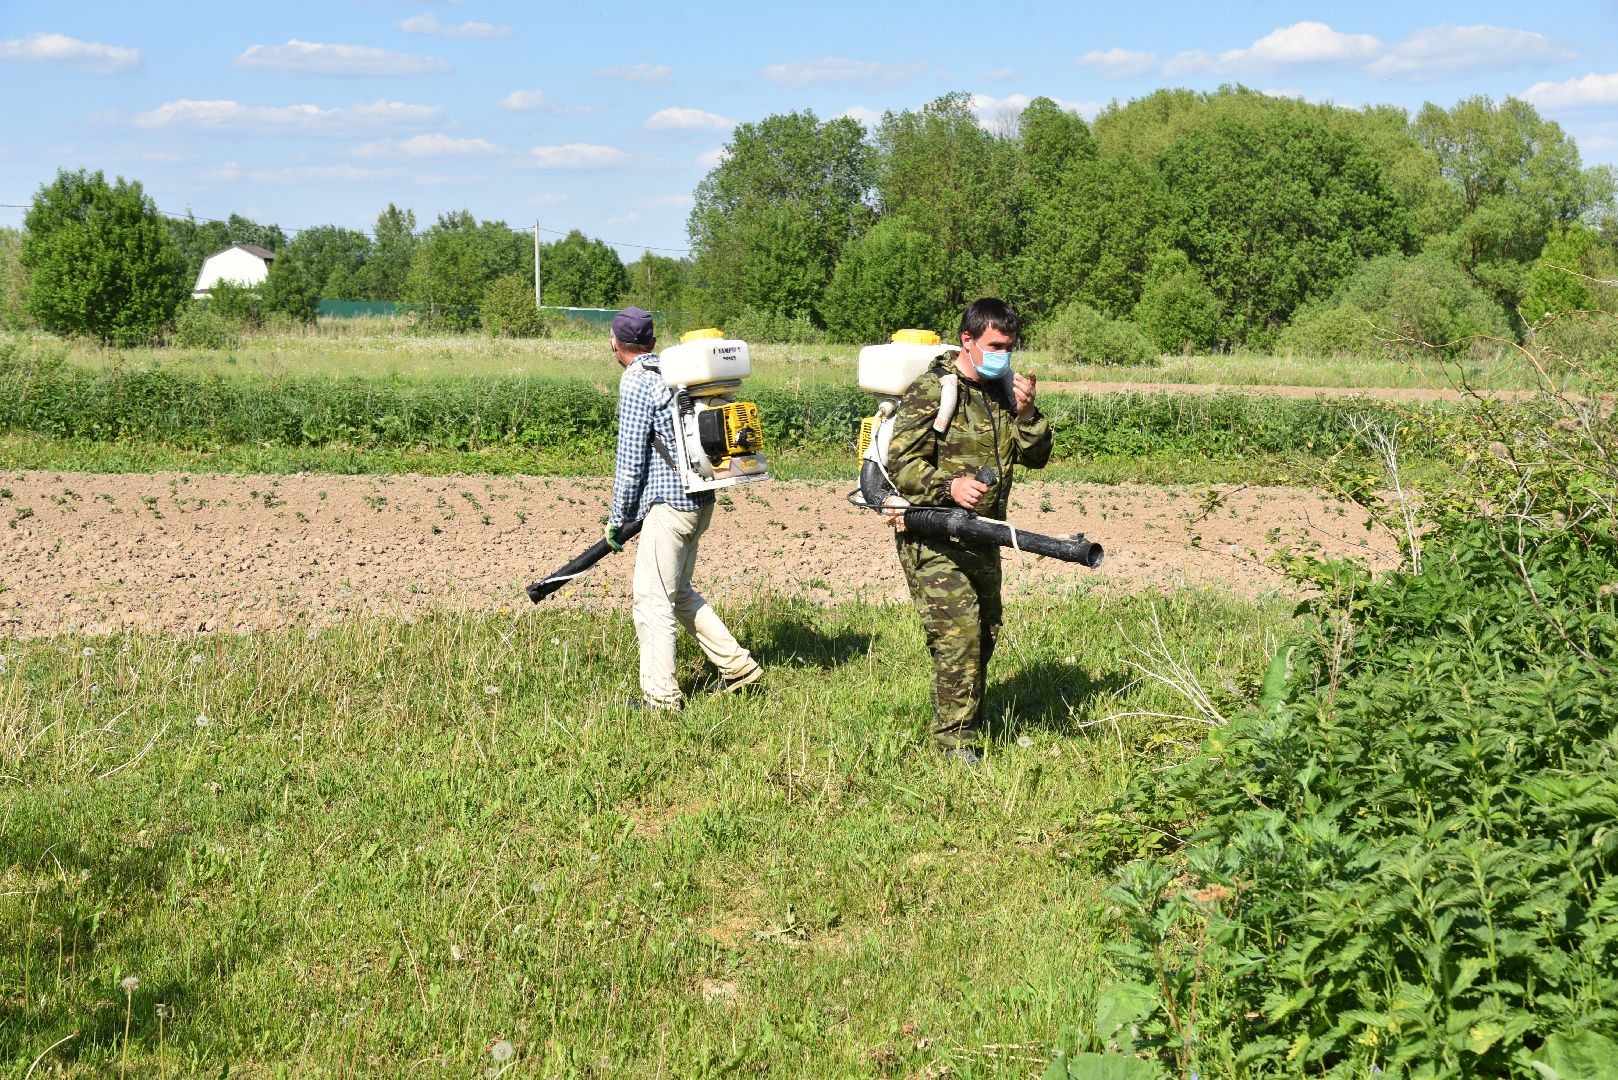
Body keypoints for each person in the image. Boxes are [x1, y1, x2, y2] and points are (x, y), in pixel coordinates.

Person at [885, 298, 1051, 763]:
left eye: (1010, 347)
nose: (1004, 355)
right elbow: (900, 463)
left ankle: (967, 717)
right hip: (934, 537)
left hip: (984, 535)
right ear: (967, 340)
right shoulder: (933, 389)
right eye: (995, 346)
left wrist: (1027, 415)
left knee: (985, 633)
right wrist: (949, 486)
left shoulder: (1001, 392)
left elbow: (1036, 457)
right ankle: (955, 743)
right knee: (958, 639)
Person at [604, 307, 762, 710]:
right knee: (677, 595)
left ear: (614, 343)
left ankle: (661, 698)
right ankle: (739, 667)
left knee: (652, 602)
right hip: (700, 500)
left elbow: (630, 459)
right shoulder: (677, 373)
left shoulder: (637, 380)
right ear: (653, 342)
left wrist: (618, 517)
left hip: (668, 506)